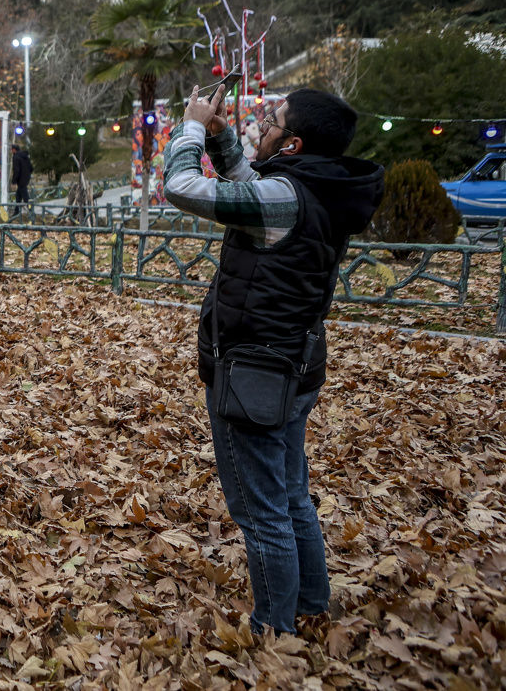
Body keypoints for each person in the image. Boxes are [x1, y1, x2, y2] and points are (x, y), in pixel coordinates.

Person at [163, 85, 384, 636]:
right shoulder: (322, 188)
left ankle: (273, 631)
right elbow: (254, 184)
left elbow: (181, 187)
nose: (264, 124)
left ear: (294, 143)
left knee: (262, 514)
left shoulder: (285, 198)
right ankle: (310, 601)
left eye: (275, 121)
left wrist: (191, 129)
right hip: (294, 364)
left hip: (252, 374)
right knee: (290, 495)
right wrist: (221, 138)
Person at [10, 144, 32, 213]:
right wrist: (27, 174)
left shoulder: (16, 157)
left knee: (25, 197)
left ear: (14, 150)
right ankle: (16, 211)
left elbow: (16, 170)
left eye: (12, 149)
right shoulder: (25, 156)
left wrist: (14, 181)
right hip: (26, 178)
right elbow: (31, 168)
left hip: (21, 180)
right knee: (18, 196)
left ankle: (31, 211)